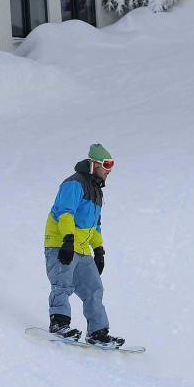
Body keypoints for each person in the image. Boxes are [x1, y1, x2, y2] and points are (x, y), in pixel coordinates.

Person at [44, 144, 124, 347]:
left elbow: (95, 225)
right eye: (106, 165)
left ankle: (97, 331)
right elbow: (65, 213)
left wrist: (99, 251)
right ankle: (59, 323)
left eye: (111, 165)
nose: (109, 170)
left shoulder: (97, 190)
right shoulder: (74, 183)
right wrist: (67, 240)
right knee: (62, 284)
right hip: (61, 243)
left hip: (81, 248)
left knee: (94, 288)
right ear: (94, 164)